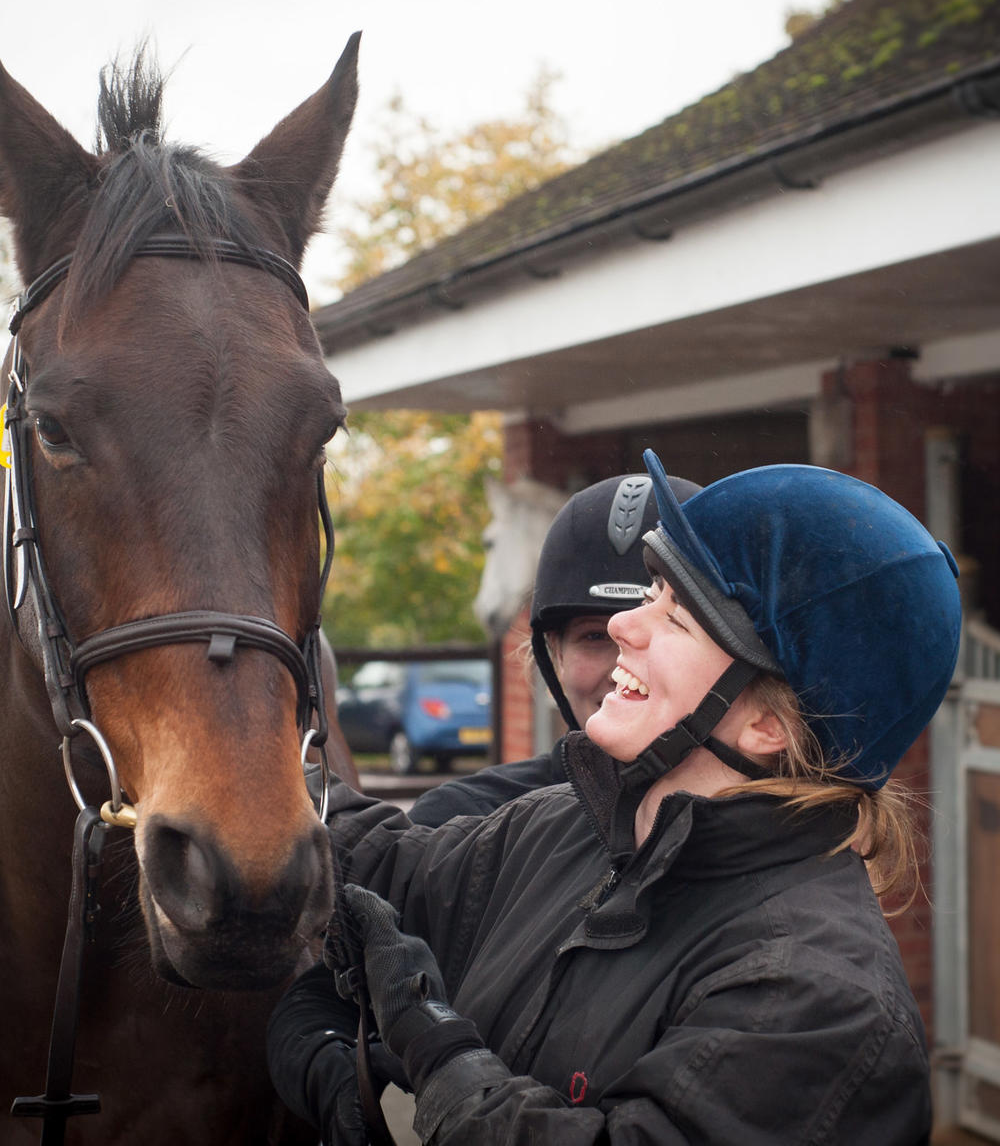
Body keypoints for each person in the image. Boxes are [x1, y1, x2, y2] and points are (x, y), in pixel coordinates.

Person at [269, 449, 961, 1145]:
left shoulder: (817, 1001)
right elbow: (384, 865)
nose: (628, 625)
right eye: (654, 589)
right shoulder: (574, 829)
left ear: (767, 724)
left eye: (678, 617)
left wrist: (442, 1055)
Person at [408, 471, 700, 826]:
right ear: (556, 653)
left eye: (665, 632)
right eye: (594, 637)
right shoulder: (463, 820)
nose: (621, 671)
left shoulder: (773, 824)